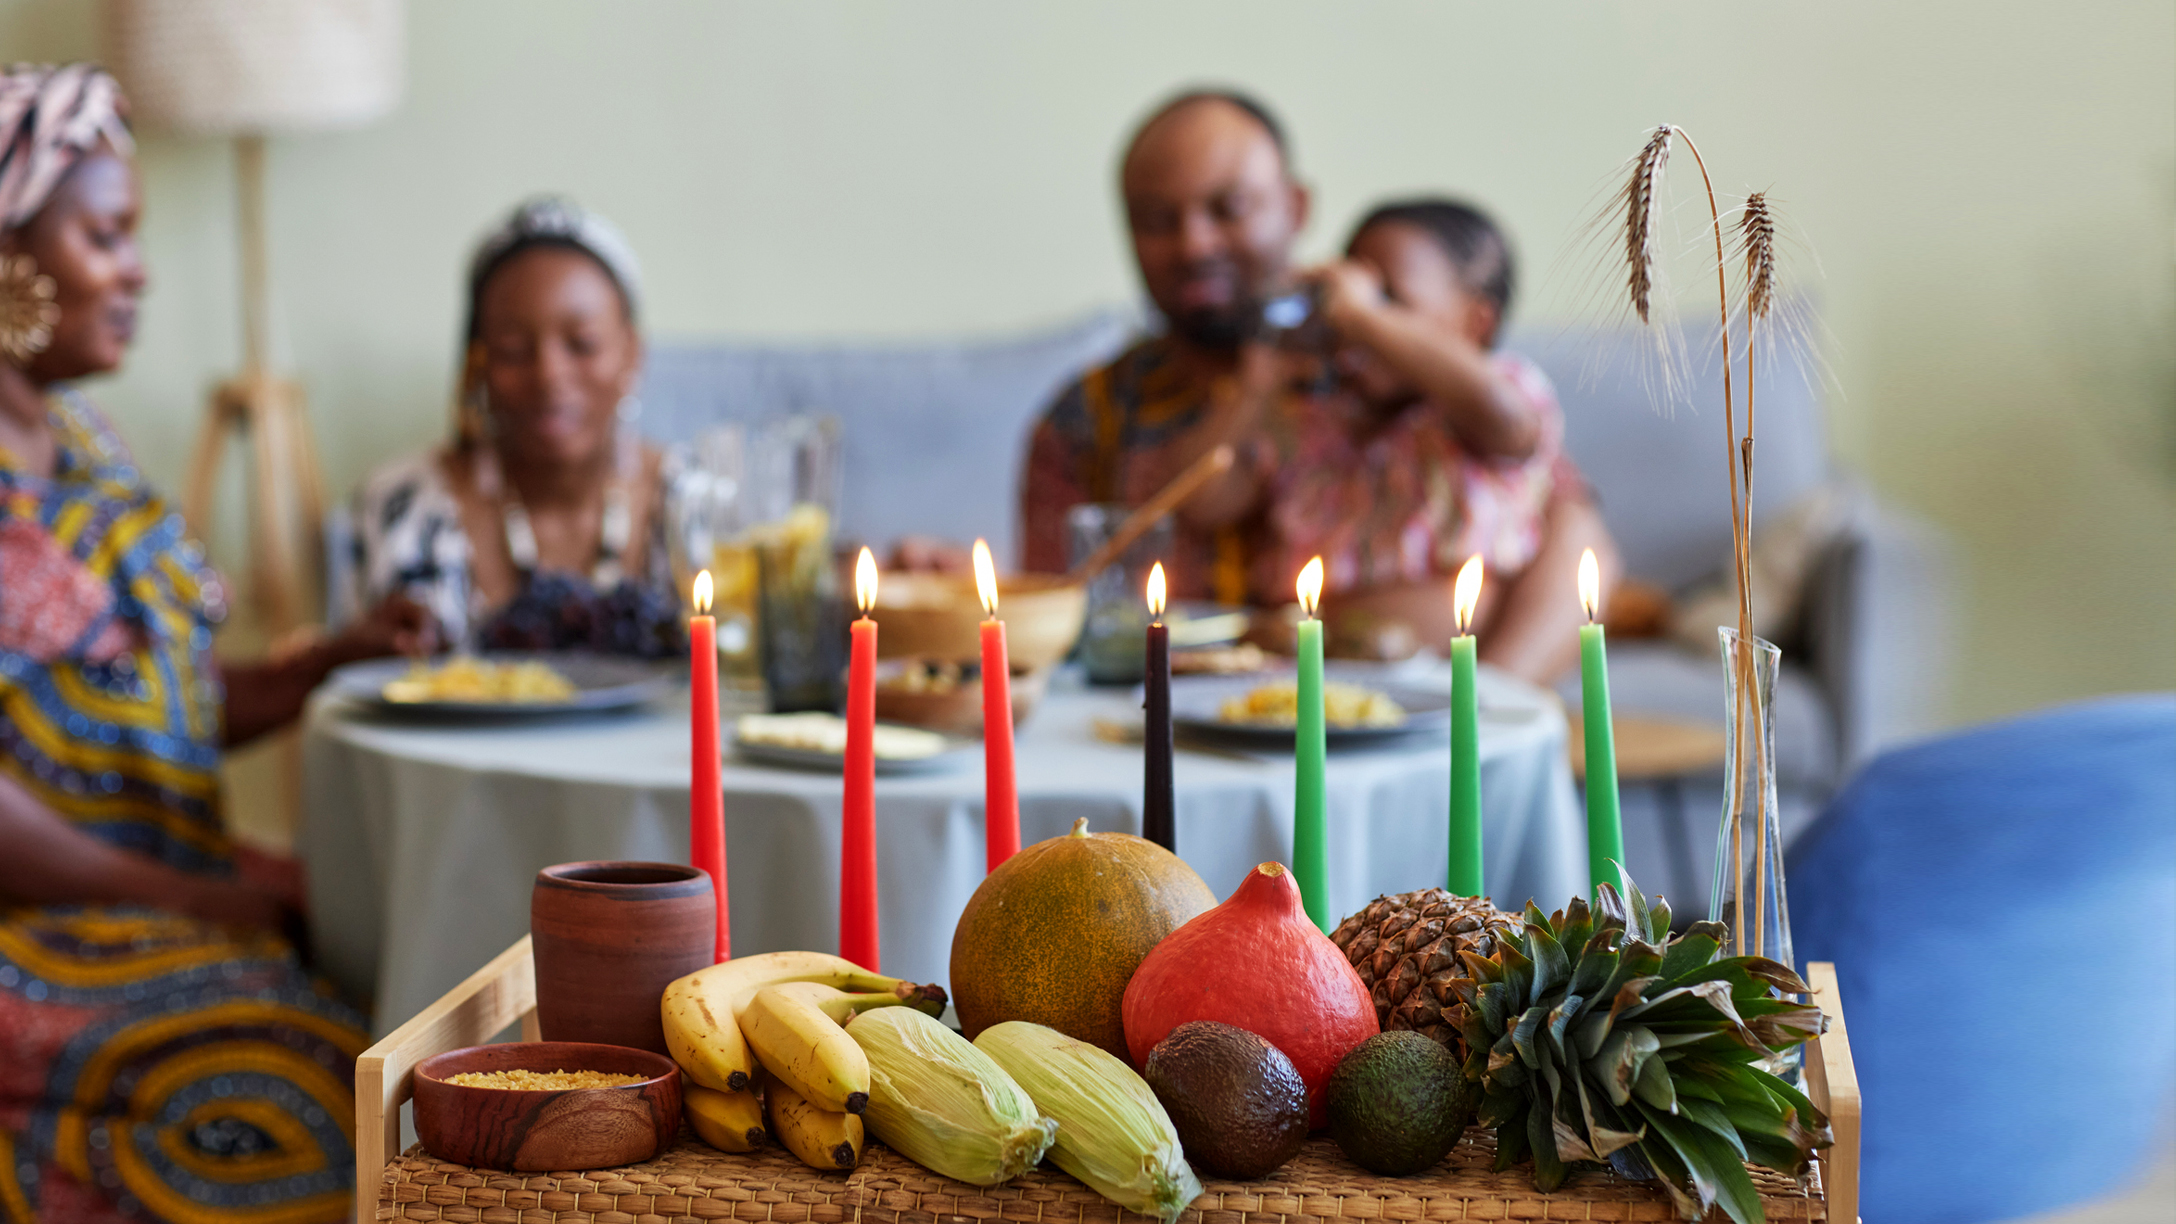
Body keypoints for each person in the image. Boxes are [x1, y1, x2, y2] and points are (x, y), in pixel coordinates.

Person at [0, 65, 422, 1223]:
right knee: (322, 1085)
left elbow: (149, 696)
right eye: (104, 235)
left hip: (139, 898)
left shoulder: (80, 439)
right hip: (37, 932)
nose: (136, 269)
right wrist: (204, 894)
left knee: (409, 1006)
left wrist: (314, 667)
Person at [1020, 90, 1618, 682]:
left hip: (1430, 702)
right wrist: (1258, 382)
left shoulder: (1390, 386)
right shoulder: (1090, 417)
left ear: (1296, 208)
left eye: (1228, 208)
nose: (1193, 243)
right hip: (1229, 705)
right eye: (1156, 220)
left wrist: (1484, 717)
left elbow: (1568, 524)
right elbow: (1048, 616)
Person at [343, 197, 683, 657]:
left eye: (582, 344)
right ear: (476, 365)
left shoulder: (694, 502)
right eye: (513, 349)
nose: (549, 375)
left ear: (631, 355)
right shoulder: (402, 508)